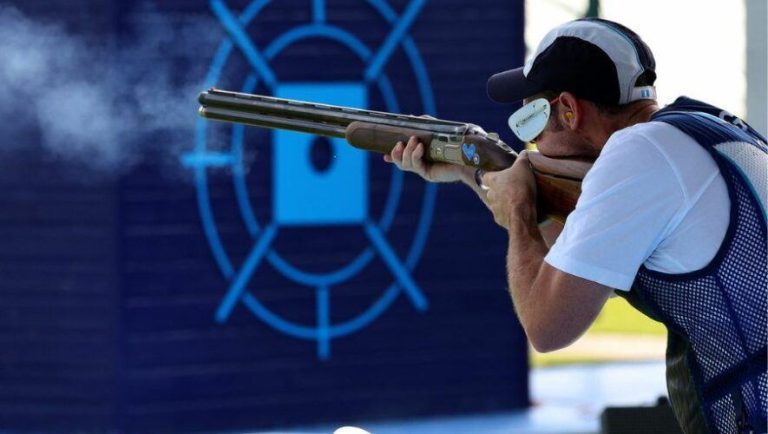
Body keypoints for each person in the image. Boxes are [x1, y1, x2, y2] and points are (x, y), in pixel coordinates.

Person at [384, 18, 767, 434]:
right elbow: (566, 251)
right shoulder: (702, 129)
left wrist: (518, 207)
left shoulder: (635, 155)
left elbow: (548, 326)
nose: (531, 145)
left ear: (569, 110)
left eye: (531, 119)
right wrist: (466, 172)